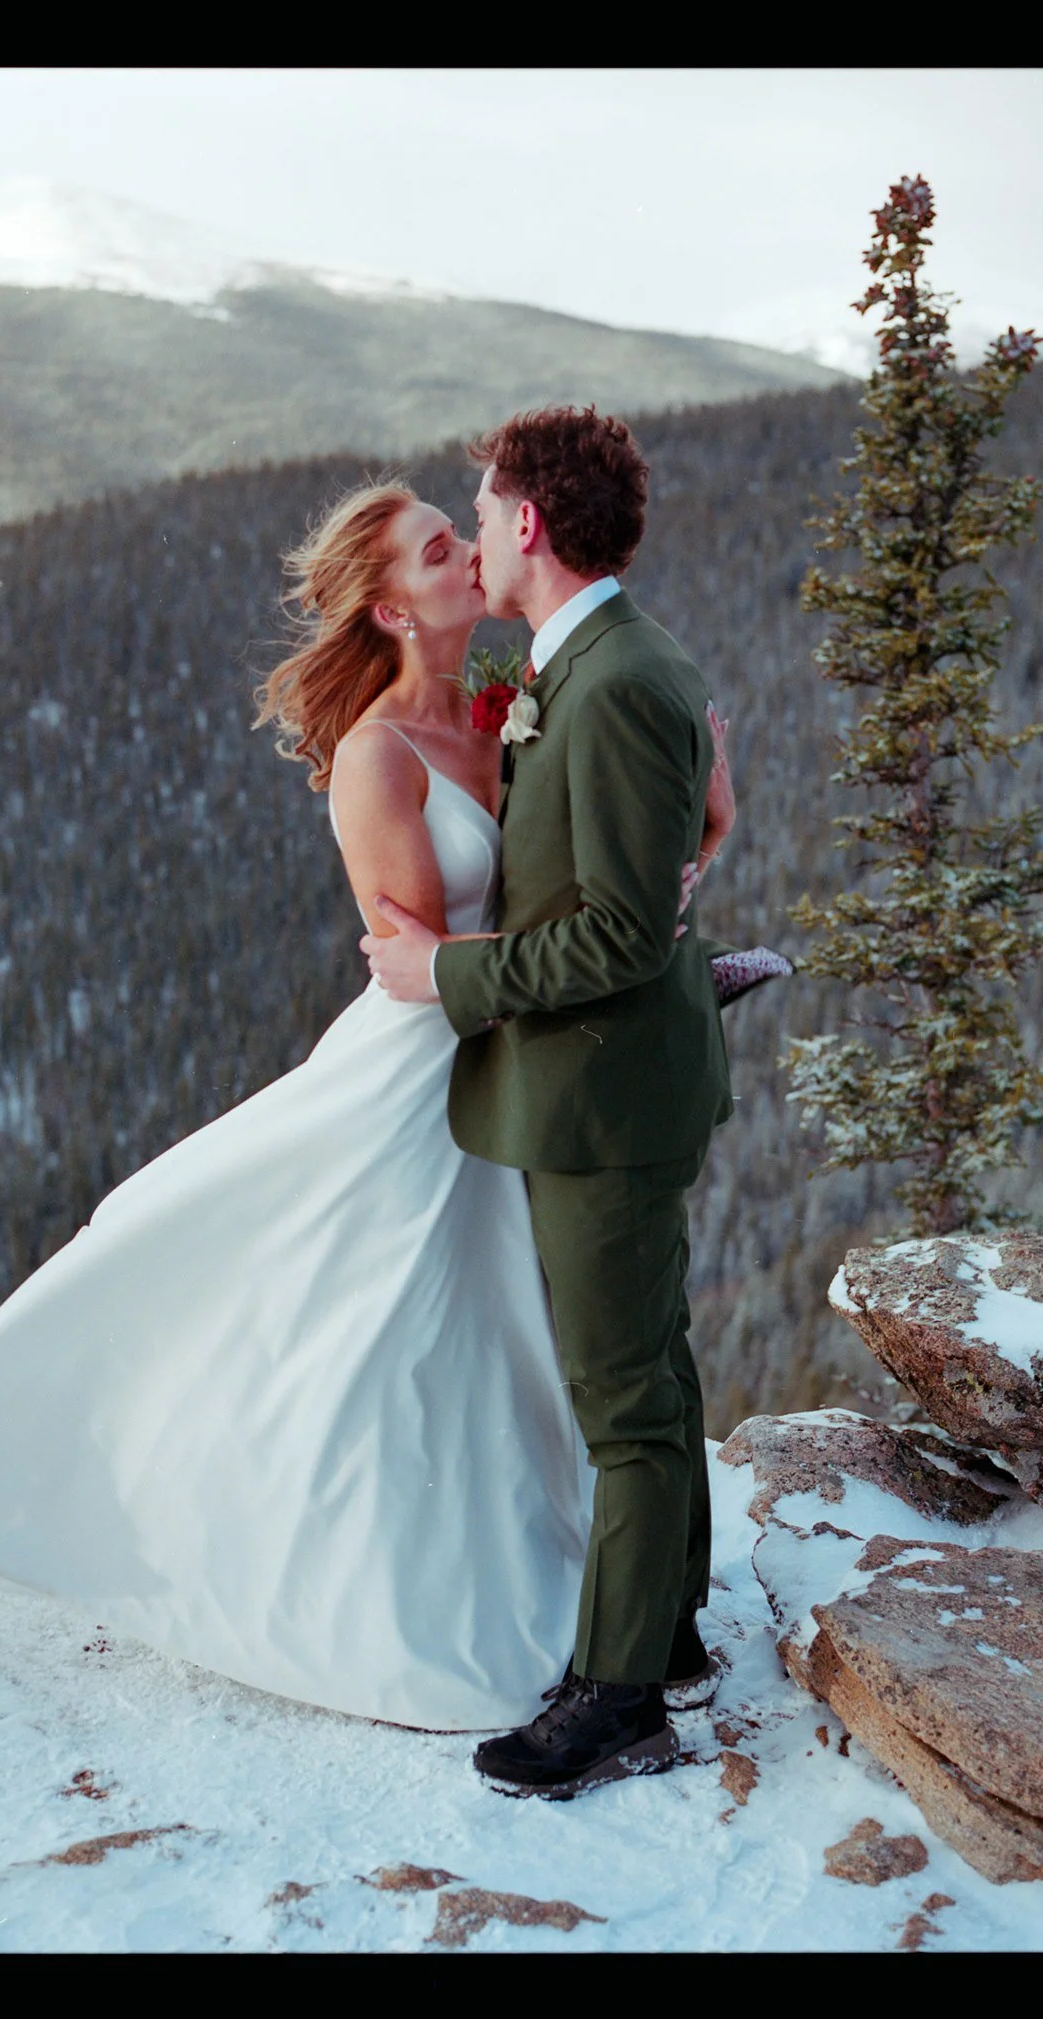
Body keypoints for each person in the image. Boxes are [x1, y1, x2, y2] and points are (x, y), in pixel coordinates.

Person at [0, 459, 780, 1744]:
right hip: (428, 1061)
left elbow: (589, 865)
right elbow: (416, 950)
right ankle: (364, 1581)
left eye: (456, 532)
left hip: (518, 1049)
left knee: (510, 1339)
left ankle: (613, 1610)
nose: (462, 556)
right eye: (432, 552)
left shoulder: (507, 693)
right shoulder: (377, 756)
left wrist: (687, 843)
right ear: (388, 611)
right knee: (388, 1328)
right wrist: (624, 946)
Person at [363, 406, 739, 1798]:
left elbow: (623, 939)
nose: (474, 518)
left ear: (526, 524)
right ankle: (674, 1622)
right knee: (654, 1356)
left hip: (605, 1098)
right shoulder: (574, 666)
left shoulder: (623, 677)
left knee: (625, 1399)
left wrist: (444, 972)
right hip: (599, 1089)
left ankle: (619, 1697)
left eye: (481, 500)